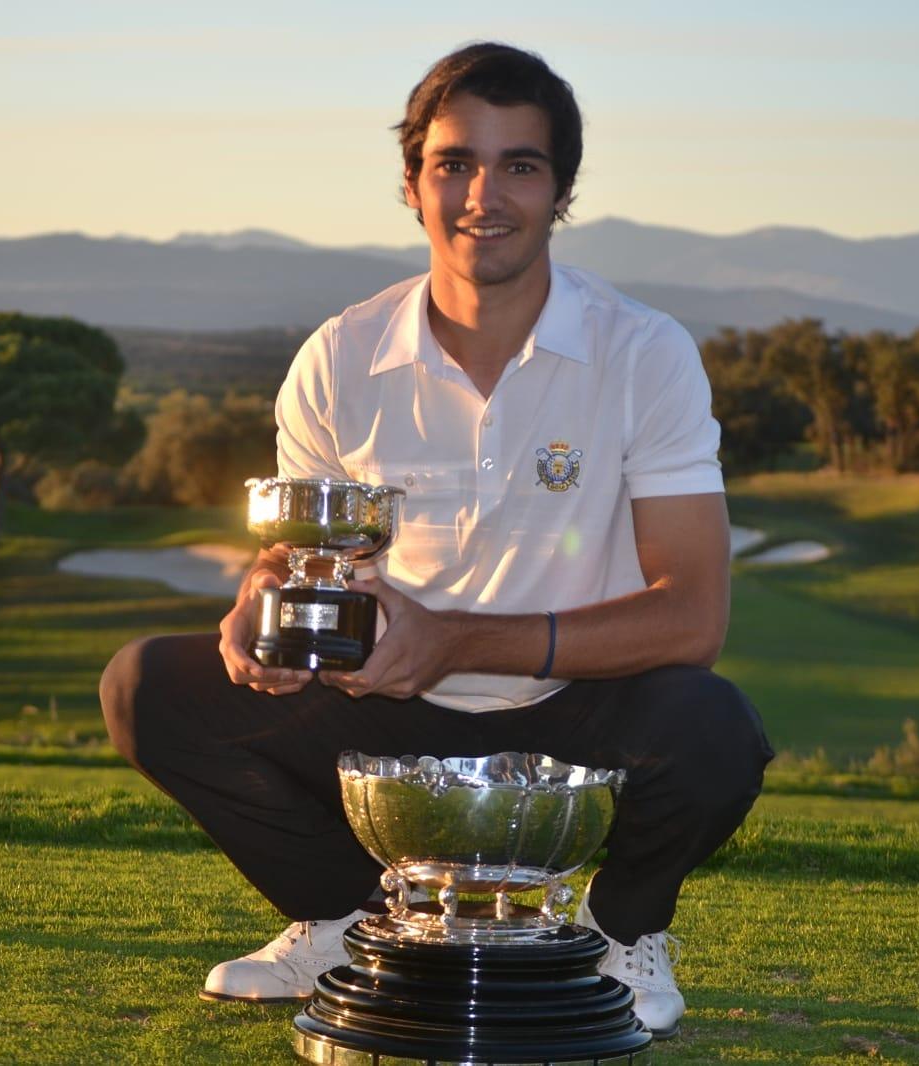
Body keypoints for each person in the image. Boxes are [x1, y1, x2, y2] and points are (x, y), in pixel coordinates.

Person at [99, 41, 774, 1041]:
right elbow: (299, 550)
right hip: (387, 713)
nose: (482, 194)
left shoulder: (645, 354)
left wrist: (455, 638)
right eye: (453, 162)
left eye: (519, 165)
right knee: (145, 685)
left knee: (712, 726)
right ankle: (349, 921)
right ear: (412, 183)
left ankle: (615, 933)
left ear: (560, 192)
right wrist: (263, 603)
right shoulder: (341, 353)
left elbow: (692, 615)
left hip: (574, 716)